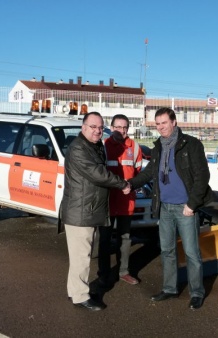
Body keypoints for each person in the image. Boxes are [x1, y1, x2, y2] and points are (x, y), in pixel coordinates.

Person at [129, 107, 213, 310]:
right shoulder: (158, 147)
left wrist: (192, 204)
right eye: (157, 124)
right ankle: (169, 289)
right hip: (164, 207)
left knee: (192, 253)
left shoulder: (191, 144)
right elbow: (150, 172)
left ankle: (196, 292)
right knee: (167, 250)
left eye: (164, 123)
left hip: (185, 208)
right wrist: (130, 184)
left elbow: (202, 176)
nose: (160, 127)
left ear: (174, 122)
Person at [61, 112, 130, 311]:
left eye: (100, 127)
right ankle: (81, 296)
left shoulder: (94, 145)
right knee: (81, 256)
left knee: (80, 255)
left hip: (87, 209)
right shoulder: (78, 149)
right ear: (83, 127)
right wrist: (122, 184)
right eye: (93, 127)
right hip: (80, 211)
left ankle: (74, 290)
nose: (98, 131)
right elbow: (97, 174)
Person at [98, 114, 143, 286]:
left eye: (125, 128)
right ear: (111, 127)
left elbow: (138, 173)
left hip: (126, 201)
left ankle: (124, 271)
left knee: (125, 238)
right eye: (118, 127)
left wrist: (131, 186)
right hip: (107, 201)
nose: (122, 131)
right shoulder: (103, 146)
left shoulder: (135, 147)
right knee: (105, 239)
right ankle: (103, 273)